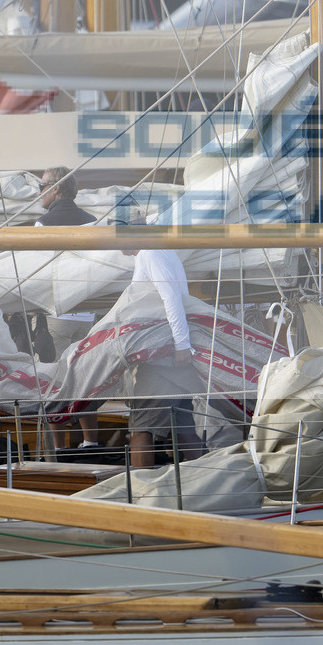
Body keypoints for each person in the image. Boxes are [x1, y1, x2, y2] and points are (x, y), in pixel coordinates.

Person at [120, 213, 203, 470]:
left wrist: (181, 346)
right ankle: (208, 478)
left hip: (161, 356)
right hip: (168, 354)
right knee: (183, 428)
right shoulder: (156, 252)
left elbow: (171, 298)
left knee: (142, 427)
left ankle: (139, 491)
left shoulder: (150, 253)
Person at [35, 167, 100, 448]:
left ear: (56, 189)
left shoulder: (43, 223)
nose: (38, 193)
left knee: (57, 381)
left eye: (41, 187)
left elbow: (36, 270)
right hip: (87, 313)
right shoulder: (93, 221)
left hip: (57, 313)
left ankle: (60, 448)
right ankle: (89, 443)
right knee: (84, 376)